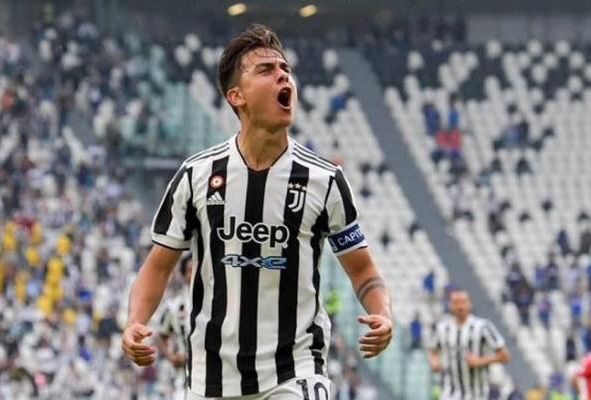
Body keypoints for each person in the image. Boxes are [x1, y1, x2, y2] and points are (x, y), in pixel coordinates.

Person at [121, 24, 393, 399]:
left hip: (294, 370)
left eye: (285, 69)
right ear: (236, 96)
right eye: (266, 69)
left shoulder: (324, 179)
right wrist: (135, 321)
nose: (283, 75)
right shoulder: (197, 175)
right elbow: (158, 265)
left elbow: (362, 269)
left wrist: (382, 313)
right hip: (211, 378)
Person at [428, 289, 509, 400]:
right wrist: (434, 361)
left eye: (463, 302)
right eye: (456, 303)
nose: (460, 307)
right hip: (448, 393)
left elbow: (504, 356)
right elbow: (433, 350)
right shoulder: (442, 328)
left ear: (470, 304)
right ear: (450, 306)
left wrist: (479, 361)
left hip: (476, 394)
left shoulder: (483, 327)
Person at [157, 253, 194, 400]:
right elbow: (161, 334)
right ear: (184, 275)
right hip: (183, 378)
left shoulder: (216, 302)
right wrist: (171, 356)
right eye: (190, 270)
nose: (194, 274)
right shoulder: (175, 306)